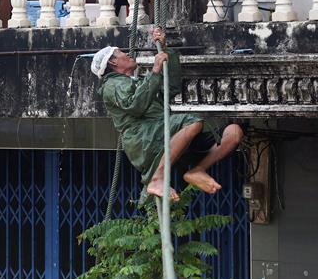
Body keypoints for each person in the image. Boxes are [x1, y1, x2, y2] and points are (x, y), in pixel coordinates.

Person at [92, 28, 243, 201]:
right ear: (113, 63)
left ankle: (197, 170)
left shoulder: (138, 81)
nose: (127, 54)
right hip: (145, 138)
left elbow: (170, 87)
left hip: (164, 132)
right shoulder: (112, 85)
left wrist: (165, 49)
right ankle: (158, 178)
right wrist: (155, 72)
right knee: (192, 122)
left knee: (234, 132)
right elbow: (135, 106)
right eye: (120, 53)